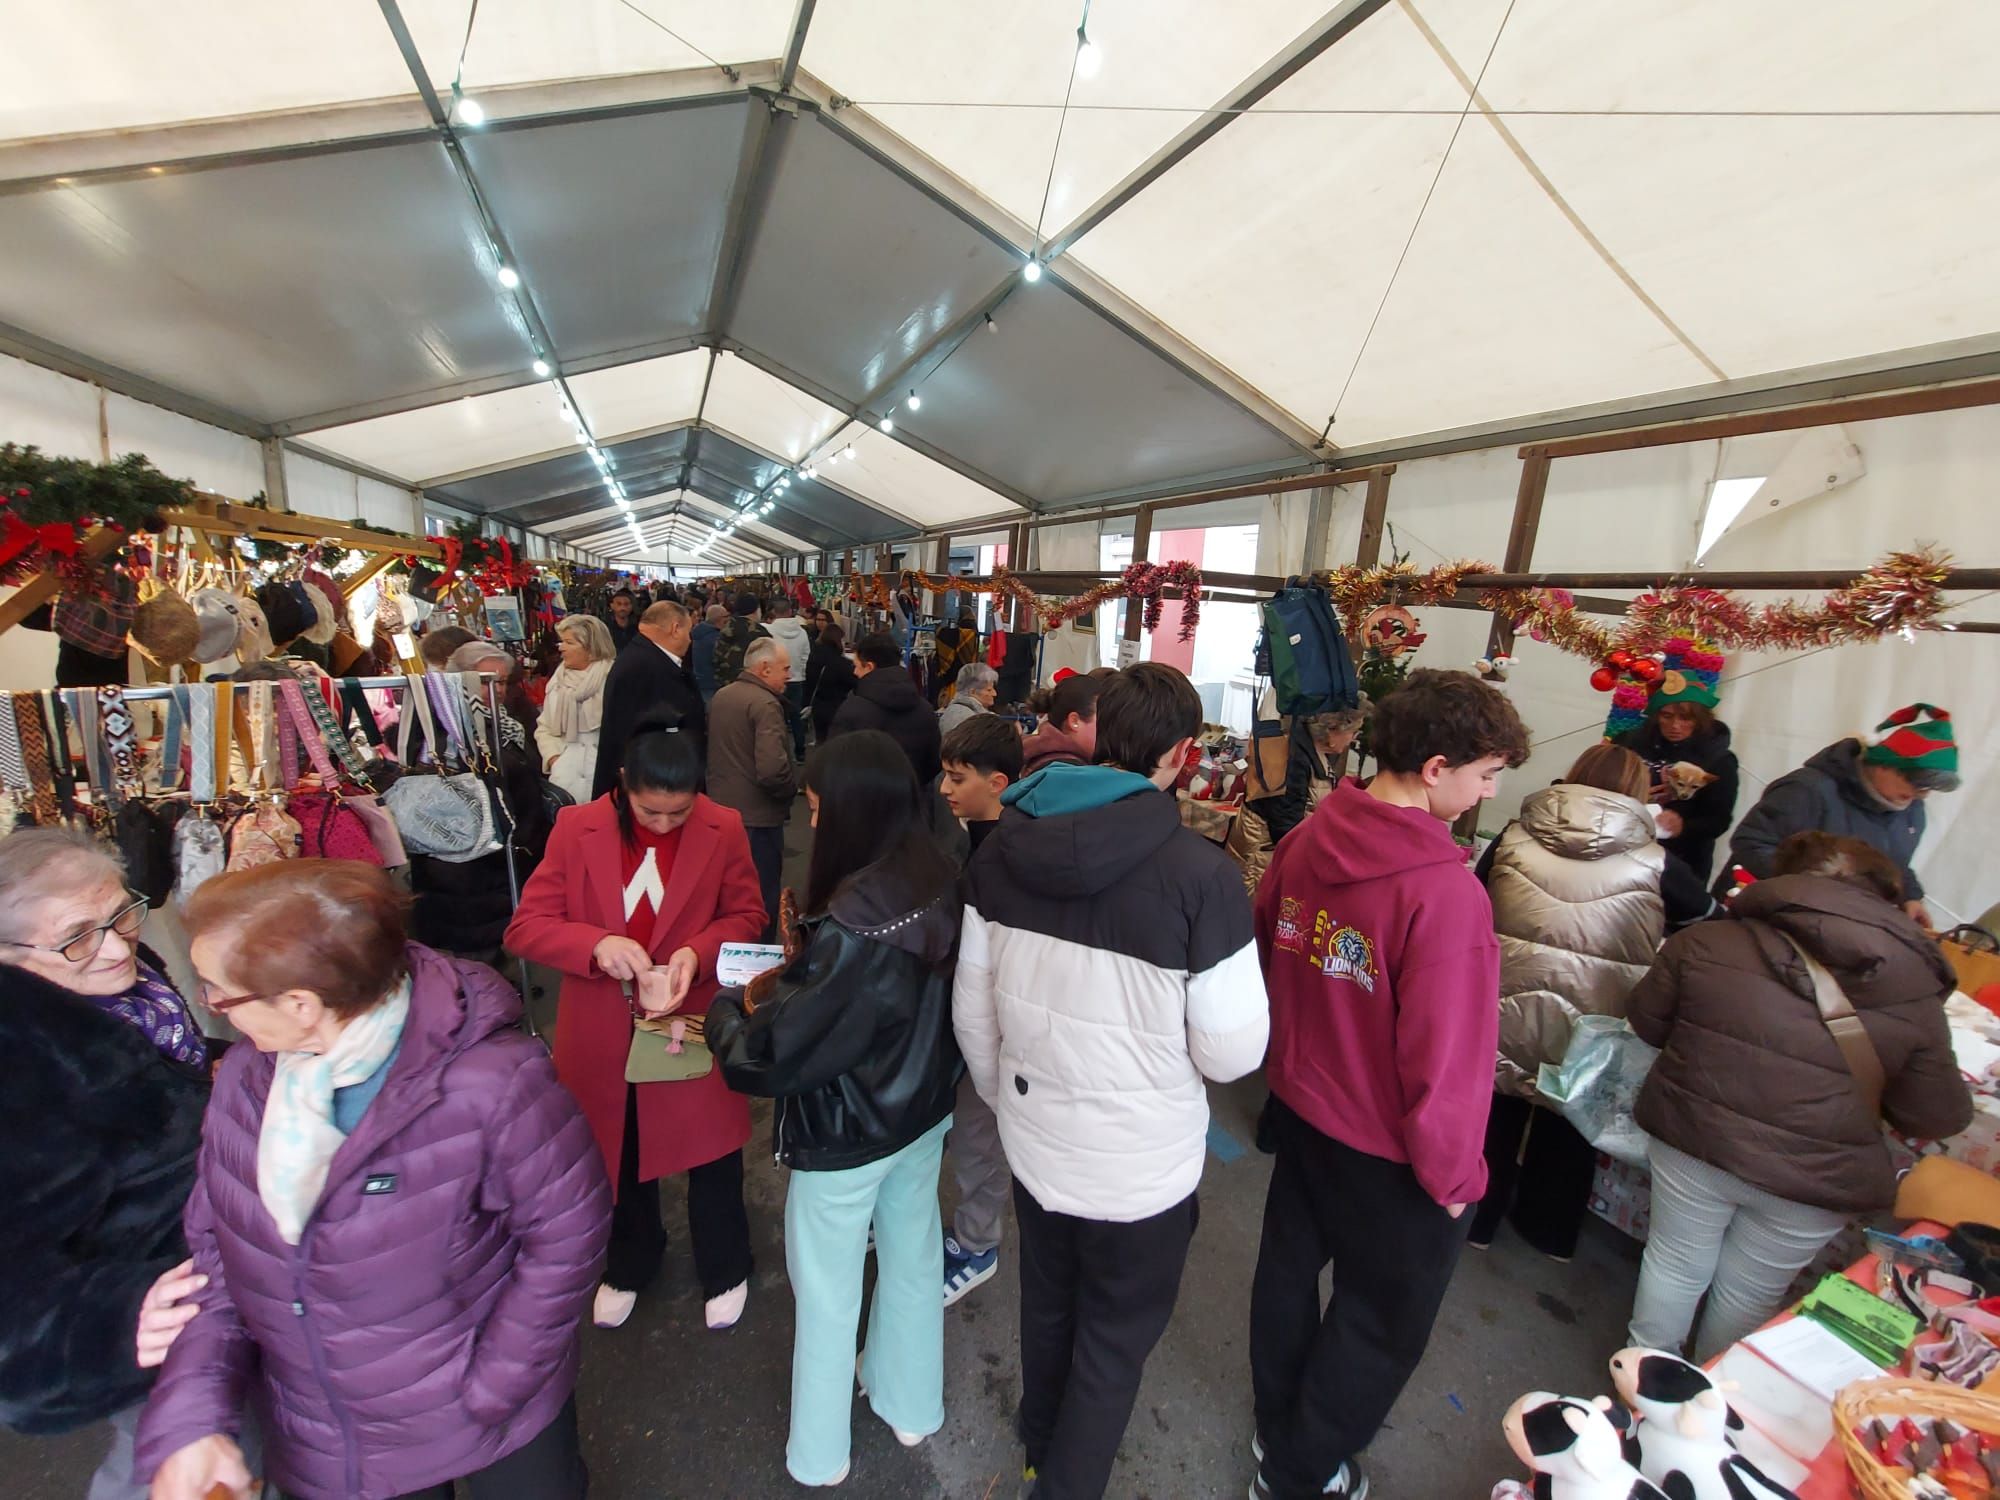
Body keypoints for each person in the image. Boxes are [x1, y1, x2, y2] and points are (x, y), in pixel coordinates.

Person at [137, 860, 610, 1500]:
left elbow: (568, 1234)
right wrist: (194, 1416)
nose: (208, 1006)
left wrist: (496, 1381)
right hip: (335, 1434)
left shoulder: (491, 1085)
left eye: (217, 991)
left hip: (493, 1410)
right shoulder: (248, 1083)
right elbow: (224, 1254)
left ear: (301, 1005)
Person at [955, 662, 1269, 1499]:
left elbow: (972, 1014)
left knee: (1049, 1302)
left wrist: (1003, 1100)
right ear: (1182, 755)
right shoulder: (1203, 878)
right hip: (1142, 1169)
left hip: (1037, 1145)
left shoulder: (1003, 846)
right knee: (1114, 1337)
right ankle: (1065, 1482)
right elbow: (1234, 1055)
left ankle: (1037, 1443)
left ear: (1094, 733)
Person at [1249, 668, 1529, 1500]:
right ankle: (1299, 1472)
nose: (1486, 794)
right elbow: (1449, 1058)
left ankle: (1279, 1433)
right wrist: (1454, 1179)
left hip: (1301, 1111)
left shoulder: (1305, 839)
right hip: (1390, 1150)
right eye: (1486, 776)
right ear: (1437, 767)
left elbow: (1263, 954)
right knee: (1380, 1319)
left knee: (1287, 1276)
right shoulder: (1444, 893)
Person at [708, 732, 964, 1488]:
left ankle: (819, 1456)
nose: (813, 826)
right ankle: (912, 1405)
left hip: (847, 1133)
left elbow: (777, 1053)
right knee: (914, 1260)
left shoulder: (855, 921)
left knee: (826, 1293)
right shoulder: (938, 870)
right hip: (921, 1114)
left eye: (818, 809)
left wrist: (726, 1012)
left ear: (854, 808)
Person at [1627, 831, 1972, 1359]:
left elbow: (1647, 1022)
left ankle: (1641, 1380)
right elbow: (1935, 1114)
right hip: (1817, 1173)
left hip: (1697, 1135)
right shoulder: (1916, 988)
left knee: (1674, 1259)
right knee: (1750, 1292)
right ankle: (1715, 1397)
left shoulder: (1708, 942)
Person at [505, 724, 766, 1333]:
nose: (666, 824)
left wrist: (696, 953)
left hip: (687, 1010)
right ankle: (629, 1261)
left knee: (711, 1152)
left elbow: (747, 913)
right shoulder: (576, 829)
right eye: (652, 810)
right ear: (623, 787)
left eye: (680, 811)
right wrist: (596, 945)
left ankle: (726, 1265)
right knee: (614, 1150)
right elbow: (527, 926)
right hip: (603, 1022)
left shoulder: (721, 825)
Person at [0, 829, 212, 1500]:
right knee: (177, 1468)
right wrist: (114, 1318)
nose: (118, 946)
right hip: (161, 1322)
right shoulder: (19, 1066)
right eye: (77, 938)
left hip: (214, 1280)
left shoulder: (114, 989)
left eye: (122, 913)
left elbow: (170, 1092)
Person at [1468, 744, 1665, 1262]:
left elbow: (1474, 893)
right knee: (1571, 1119)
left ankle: (1476, 1218)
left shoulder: (1515, 833)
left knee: (1495, 1107)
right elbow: (1698, 915)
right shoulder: (1656, 858)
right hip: (1594, 1022)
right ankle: (1549, 1231)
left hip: (1508, 998)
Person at [1721, 703, 1957, 930]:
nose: (1921, 795)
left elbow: (1895, 862)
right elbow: (1750, 843)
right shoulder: (1808, 789)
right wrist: (1814, 892)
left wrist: (1910, 897)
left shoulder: (1911, 808)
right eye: (1915, 782)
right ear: (1884, 764)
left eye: (1928, 789)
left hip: (1832, 925)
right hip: (1761, 917)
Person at [936, 714, 1025, 1306]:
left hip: (993, 1031)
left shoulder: (1014, 855)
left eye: (957, 777)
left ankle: (977, 1244)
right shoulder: (960, 834)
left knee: (980, 1140)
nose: (945, 788)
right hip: (957, 1023)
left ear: (997, 783)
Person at [1614, 662, 1739, 882]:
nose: (1675, 726)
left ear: (1700, 720)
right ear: (1656, 716)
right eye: (1667, 716)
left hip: (1680, 864)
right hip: (1622, 851)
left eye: (1685, 718)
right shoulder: (1630, 743)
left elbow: (1719, 820)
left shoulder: (1718, 760)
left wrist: (1682, 826)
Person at [707, 638, 799, 938]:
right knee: (761, 895)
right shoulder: (766, 704)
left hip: (721, 809)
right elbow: (772, 769)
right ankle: (758, 966)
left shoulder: (723, 695)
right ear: (764, 668)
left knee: (727, 892)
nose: (789, 675)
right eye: (784, 669)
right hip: (758, 817)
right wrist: (789, 790)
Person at [590, 600, 704, 801]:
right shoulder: (644, 667)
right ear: (675, 629)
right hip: (654, 789)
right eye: (689, 632)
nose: (689, 640)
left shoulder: (644, 658)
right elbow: (631, 735)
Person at [1247, 702, 1368, 847]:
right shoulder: (1294, 758)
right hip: (1263, 856)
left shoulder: (1312, 751)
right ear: (1333, 730)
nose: (1353, 739)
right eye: (1353, 732)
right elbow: (1285, 825)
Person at [830, 631, 942, 787]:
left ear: (869, 666)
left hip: (862, 803)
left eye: (856, 666)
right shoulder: (925, 709)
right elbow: (933, 762)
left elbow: (835, 764)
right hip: (910, 801)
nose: (854, 672)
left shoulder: (852, 710)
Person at [534, 612, 617, 803]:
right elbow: (544, 727)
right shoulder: (557, 681)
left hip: (606, 775)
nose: (561, 648)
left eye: (569, 642)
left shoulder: (615, 678)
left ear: (591, 647)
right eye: (561, 641)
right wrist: (555, 758)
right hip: (566, 777)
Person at [1019, 671, 1106, 777]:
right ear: (1074, 721)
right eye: (1104, 719)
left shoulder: (1041, 753)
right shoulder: (1067, 774)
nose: (1110, 728)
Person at [765, 597, 814, 759]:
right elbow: (806, 657)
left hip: (775, 682)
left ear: (774, 612)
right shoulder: (802, 632)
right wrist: (800, 673)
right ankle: (800, 752)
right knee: (796, 718)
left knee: (775, 719)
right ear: (790, 611)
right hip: (797, 681)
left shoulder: (768, 631)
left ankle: (778, 753)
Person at [806, 622, 857, 744]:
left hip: (817, 705)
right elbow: (854, 683)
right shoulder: (842, 663)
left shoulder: (814, 656)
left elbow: (809, 680)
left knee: (821, 740)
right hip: (836, 706)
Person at [713, 593, 771, 691]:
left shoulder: (726, 627)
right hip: (752, 687)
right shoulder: (759, 632)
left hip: (724, 686)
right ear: (757, 609)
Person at [938, 662, 999, 735]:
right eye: (989, 690)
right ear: (972, 692)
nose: (994, 694)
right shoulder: (973, 720)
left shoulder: (952, 711)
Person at [691, 603, 725, 703]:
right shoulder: (716, 639)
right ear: (720, 618)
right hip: (713, 683)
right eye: (726, 616)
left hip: (699, 681)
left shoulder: (697, 633)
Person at [603, 588, 641, 654]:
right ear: (612, 605)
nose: (623, 608)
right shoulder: (604, 626)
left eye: (626, 604)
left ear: (631, 606)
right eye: (619, 604)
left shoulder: (639, 626)